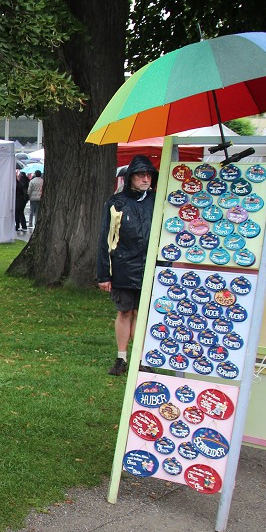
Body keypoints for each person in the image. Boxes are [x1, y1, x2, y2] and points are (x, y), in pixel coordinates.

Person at [96, 154, 157, 376]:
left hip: (149, 267)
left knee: (142, 313)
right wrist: (104, 274)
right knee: (125, 312)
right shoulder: (116, 203)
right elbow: (105, 237)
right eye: (140, 174)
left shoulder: (157, 201)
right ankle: (121, 358)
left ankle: (142, 358)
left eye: (148, 175)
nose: (145, 179)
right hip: (122, 266)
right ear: (130, 177)